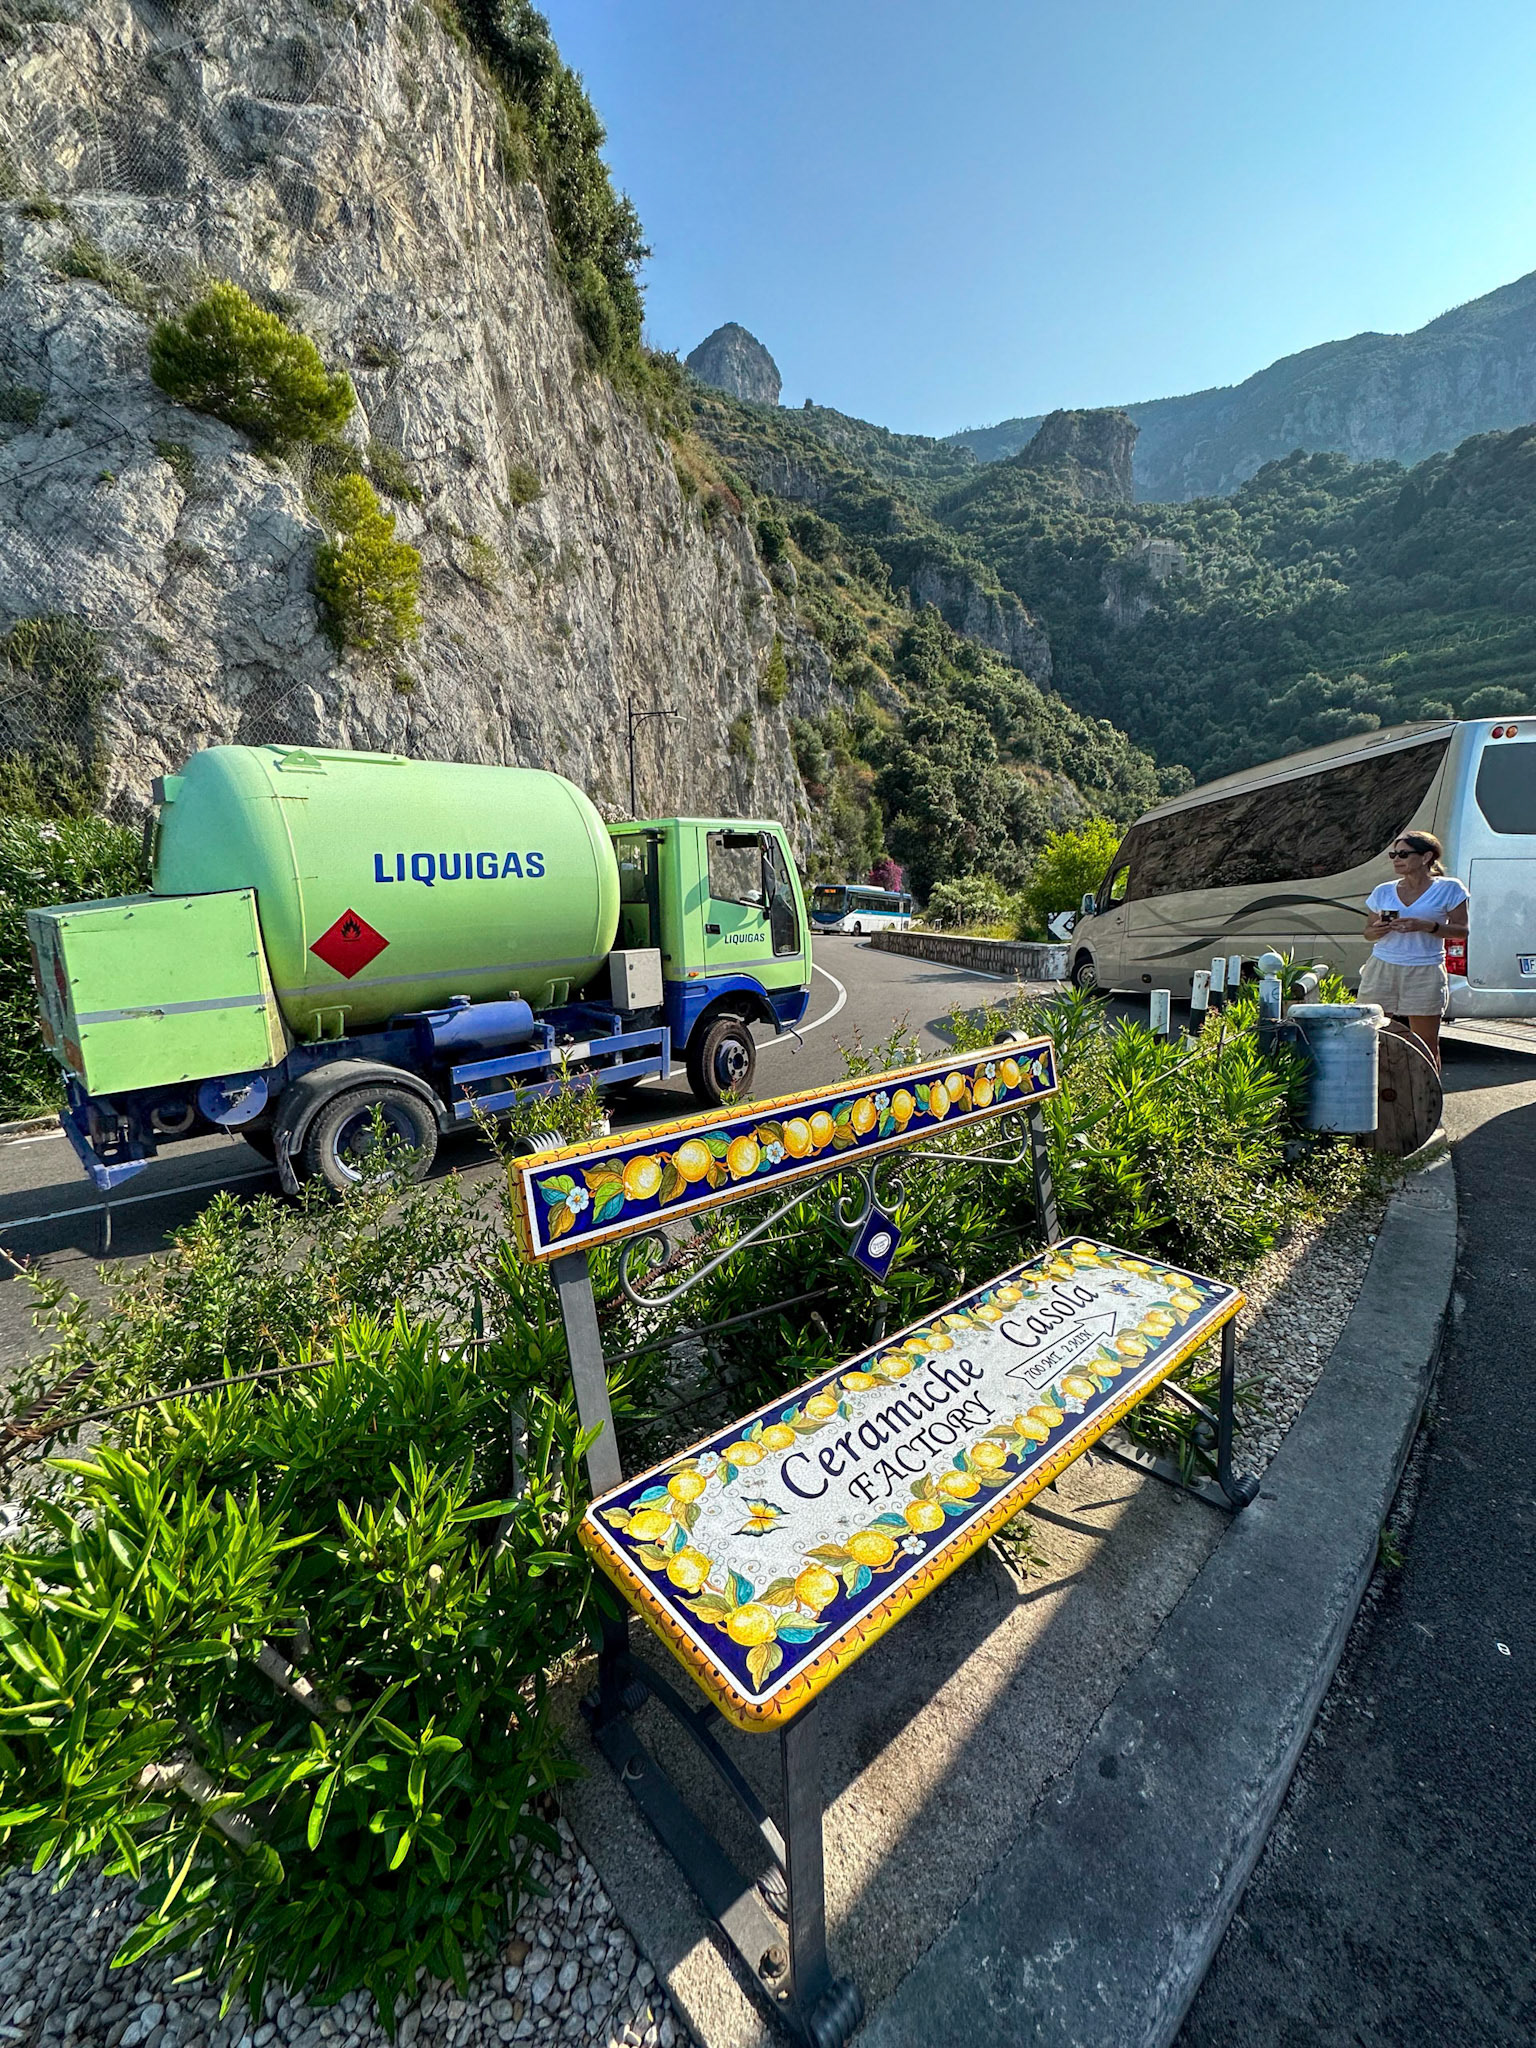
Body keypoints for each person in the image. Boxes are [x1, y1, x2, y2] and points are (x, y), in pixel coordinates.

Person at [1359, 831, 1468, 1069]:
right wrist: (1378, 930)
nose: (1397, 859)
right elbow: (1367, 933)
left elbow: (1462, 931)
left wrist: (1427, 926)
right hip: (1382, 967)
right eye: (1393, 855)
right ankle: (1378, 1089)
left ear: (1426, 857)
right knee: (1371, 1036)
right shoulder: (1383, 891)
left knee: (1425, 1044)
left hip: (1425, 968)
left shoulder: (1449, 888)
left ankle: (1428, 1091)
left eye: (1403, 854)